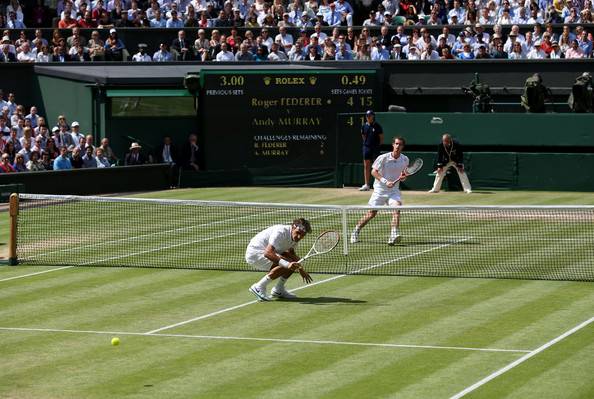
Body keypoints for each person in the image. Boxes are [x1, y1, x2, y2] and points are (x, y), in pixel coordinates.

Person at [351, 136, 409, 246]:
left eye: (400, 144)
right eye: (396, 144)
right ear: (393, 145)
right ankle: (356, 231)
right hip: (380, 190)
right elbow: (373, 172)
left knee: (397, 209)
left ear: (402, 146)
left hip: (394, 191)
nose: (397, 146)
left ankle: (393, 235)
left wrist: (403, 177)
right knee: (372, 213)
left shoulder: (405, 159)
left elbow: (404, 175)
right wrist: (385, 181)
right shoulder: (383, 157)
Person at [247, 218, 313, 301]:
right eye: (298, 233)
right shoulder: (281, 232)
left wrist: (300, 268)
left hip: (265, 253)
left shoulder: (295, 238)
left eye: (302, 235)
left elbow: (291, 255)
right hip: (255, 254)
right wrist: (288, 264)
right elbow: (268, 253)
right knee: (289, 263)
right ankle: (259, 286)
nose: (299, 237)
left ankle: (278, 290)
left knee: (294, 262)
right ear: (293, 227)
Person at [359, 110, 384, 191]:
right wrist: (367, 144)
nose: (368, 117)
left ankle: (379, 184)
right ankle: (366, 185)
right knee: (366, 166)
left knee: (378, 167)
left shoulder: (377, 126)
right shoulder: (364, 126)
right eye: (367, 116)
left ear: (373, 116)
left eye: (370, 115)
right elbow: (363, 136)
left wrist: (377, 146)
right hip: (367, 148)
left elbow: (381, 138)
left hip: (375, 148)